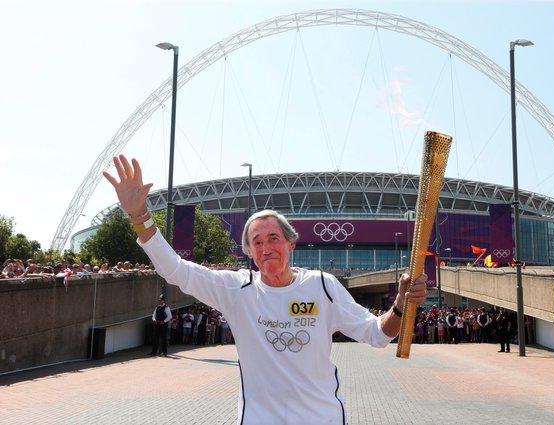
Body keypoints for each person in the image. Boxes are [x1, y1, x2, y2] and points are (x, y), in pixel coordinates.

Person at [103, 154, 428, 425]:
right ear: (249, 252)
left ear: (291, 243)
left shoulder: (321, 287)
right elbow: (176, 269)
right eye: (257, 242)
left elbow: (378, 334)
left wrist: (400, 305)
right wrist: (140, 216)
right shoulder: (236, 289)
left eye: (273, 238)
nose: (266, 247)